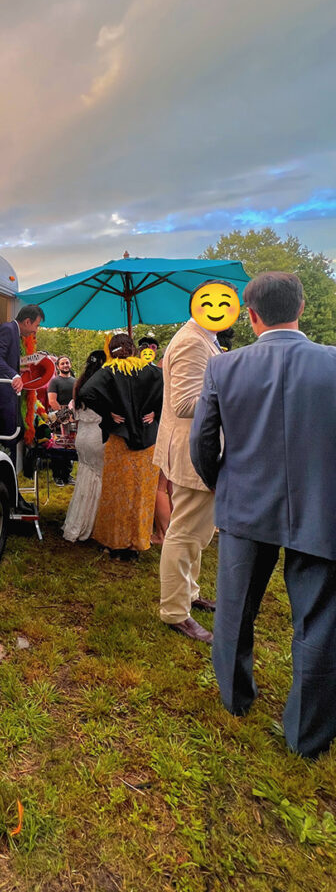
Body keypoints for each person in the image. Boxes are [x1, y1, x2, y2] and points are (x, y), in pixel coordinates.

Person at [190, 272, 336, 759]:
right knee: (318, 624)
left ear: (249, 315)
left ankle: (235, 699)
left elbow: (203, 442)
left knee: (235, 612)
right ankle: (307, 736)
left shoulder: (224, 368)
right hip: (322, 508)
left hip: (245, 506)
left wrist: (222, 486)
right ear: (301, 305)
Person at [153, 297, 225, 644]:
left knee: (196, 531)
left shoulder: (204, 339)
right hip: (193, 450)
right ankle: (175, 611)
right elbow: (184, 403)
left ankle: (189, 594)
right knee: (184, 532)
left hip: (196, 448)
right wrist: (237, 390)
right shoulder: (191, 341)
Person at [78, 334, 163, 561]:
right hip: (147, 443)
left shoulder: (109, 371)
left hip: (120, 440)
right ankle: (135, 545)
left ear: (112, 350)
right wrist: (155, 412)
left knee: (117, 493)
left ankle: (115, 545)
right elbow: (171, 390)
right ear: (133, 350)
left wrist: (107, 412)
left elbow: (86, 392)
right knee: (141, 494)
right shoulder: (151, 371)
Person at [0, 304, 45, 511]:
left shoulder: (14, 332)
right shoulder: (7, 329)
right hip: (3, 400)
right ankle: (10, 498)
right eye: (36, 326)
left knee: (15, 438)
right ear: (27, 321)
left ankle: (12, 495)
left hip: (10, 399)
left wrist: (20, 368)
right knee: (9, 445)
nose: (35, 331)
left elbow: (5, 360)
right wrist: (13, 375)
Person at [62, 350, 106, 543]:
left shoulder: (78, 383)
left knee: (85, 477)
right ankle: (94, 524)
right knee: (98, 477)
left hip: (83, 435)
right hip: (98, 434)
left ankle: (78, 521)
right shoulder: (104, 383)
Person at [47, 356, 75, 485]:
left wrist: (73, 416)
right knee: (58, 446)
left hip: (72, 417)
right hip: (58, 418)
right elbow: (52, 401)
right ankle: (57, 476)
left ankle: (67, 475)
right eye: (62, 363)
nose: (65, 365)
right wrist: (63, 416)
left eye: (67, 363)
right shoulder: (54, 382)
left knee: (70, 446)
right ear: (58, 366)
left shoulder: (75, 381)